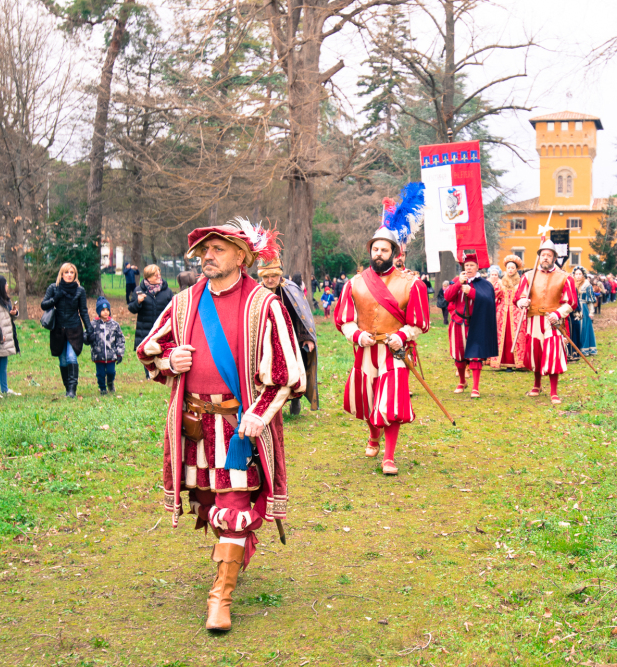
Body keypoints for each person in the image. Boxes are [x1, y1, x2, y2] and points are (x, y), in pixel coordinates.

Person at [136, 216, 307, 632]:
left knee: (233, 507)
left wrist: (258, 412)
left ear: (242, 256)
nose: (206, 257)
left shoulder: (264, 304)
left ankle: (221, 596)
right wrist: (168, 360)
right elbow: (148, 349)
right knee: (210, 505)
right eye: (203, 251)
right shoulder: (184, 302)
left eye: (217, 250)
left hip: (240, 428)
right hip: (195, 426)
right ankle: (235, 552)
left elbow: (288, 373)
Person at [334, 227, 430, 475]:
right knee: (367, 399)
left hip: (394, 352)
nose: (378, 254)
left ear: (394, 253)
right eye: (375, 249)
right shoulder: (354, 283)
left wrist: (402, 335)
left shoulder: (412, 284)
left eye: (384, 250)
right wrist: (356, 334)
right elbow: (345, 319)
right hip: (366, 351)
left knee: (391, 402)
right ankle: (373, 435)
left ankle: (389, 457)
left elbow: (419, 323)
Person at [514, 240, 579, 405]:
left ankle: (554, 391)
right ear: (539, 257)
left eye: (549, 255)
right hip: (534, 318)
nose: (545, 258)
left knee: (553, 353)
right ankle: (536, 385)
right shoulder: (528, 276)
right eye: (543, 255)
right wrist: (523, 302)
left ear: (554, 258)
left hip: (553, 320)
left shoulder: (565, 277)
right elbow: (519, 297)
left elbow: (571, 302)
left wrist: (558, 313)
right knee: (536, 351)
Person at [257, 257, 319, 416]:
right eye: (266, 277)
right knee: (270, 372)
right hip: (267, 341)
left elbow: (302, 315)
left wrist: (307, 337)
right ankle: (271, 403)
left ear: (280, 274)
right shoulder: (256, 292)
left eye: (273, 276)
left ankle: (296, 398)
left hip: (292, 339)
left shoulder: (291, 288)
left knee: (295, 370)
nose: (270, 280)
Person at [443, 250, 498, 397]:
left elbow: (487, 301)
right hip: (458, 322)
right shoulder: (457, 280)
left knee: (475, 355)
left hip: (476, 324)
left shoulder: (484, 284)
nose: (468, 268)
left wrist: (471, 292)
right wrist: (458, 285)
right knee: (459, 354)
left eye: (472, 265)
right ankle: (462, 381)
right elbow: (447, 297)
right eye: (466, 265)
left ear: (477, 267)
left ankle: (475, 387)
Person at [41, 262, 92, 398]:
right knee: (63, 361)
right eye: (66, 272)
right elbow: (43, 305)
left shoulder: (80, 290)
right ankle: (67, 388)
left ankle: (72, 391)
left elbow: (83, 311)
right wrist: (55, 298)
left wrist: (89, 329)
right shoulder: (54, 288)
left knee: (71, 357)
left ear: (75, 275)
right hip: (58, 329)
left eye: (72, 273)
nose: (69, 275)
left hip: (74, 328)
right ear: (61, 274)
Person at [128, 264, 174, 380]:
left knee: (160, 349)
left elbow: (172, 309)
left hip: (162, 328)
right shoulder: (139, 291)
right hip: (145, 328)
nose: (158, 276)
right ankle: (149, 374)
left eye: (159, 273)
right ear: (147, 277)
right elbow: (132, 309)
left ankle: (161, 372)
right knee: (147, 351)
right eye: (155, 274)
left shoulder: (167, 291)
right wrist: (138, 302)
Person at [491, 255, 526, 370]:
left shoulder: (520, 282)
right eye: (508, 268)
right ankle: (502, 361)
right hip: (502, 312)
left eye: (513, 268)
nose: (510, 270)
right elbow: (493, 295)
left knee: (516, 336)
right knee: (502, 336)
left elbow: (524, 296)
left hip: (516, 311)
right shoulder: (500, 282)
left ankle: (518, 362)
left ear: (516, 269)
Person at [88, 296, 125, 395]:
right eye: (103, 310)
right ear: (98, 311)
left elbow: (120, 339)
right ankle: (102, 388)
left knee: (111, 372)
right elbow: (86, 336)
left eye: (107, 310)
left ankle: (110, 382)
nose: (105, 312)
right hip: (98, 355)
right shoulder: (93, 325)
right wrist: (87, 337)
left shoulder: (114, 325)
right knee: (100, 374)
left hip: (111, 355)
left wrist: (120, 353)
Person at [572, 267, 597, 356]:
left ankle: (585, 348)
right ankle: (575, 348)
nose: (578, 276)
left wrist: (591, 312)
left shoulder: (587, 285)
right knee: (575, 327)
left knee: (584, 328)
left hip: (583, 307)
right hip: (573, 308)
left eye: (580, 274)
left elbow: (590, 300)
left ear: (583, 275)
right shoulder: (572, 284)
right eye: (576, 274)